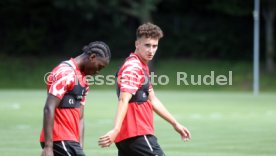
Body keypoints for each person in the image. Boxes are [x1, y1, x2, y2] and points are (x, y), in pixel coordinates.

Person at [98, 23, 191, 156]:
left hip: (129, 137)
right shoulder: (133, 67)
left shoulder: (141, 66)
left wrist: (175, 124)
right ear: (137, 44)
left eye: (155, 46)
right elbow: (123, 99)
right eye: (147, 45)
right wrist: (115, 129)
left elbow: (153, 99)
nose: (151, 50)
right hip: (137, 134)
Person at [40, 41, 111, 156]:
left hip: (71, 142)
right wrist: (48, 147)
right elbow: (49, 107)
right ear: (92, 57)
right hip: (59, 139)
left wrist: (80, 147)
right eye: (99, 66)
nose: (98, 72)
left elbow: (80, 117)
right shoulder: (65, 72)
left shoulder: (84, 81)